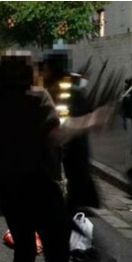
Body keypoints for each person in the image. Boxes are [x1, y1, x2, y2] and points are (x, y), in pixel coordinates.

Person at [0, 53, 70, 262]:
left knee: (24, 248)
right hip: (40, 184)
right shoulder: (38, 98)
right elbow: (53, 139)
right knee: (55, 248)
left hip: (8, 187)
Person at [42, 51, 100, 214]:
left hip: (68, 144)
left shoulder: (63, 88)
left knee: (70, 185)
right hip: (65, 145)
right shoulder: (59, 86)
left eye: (46, 66)